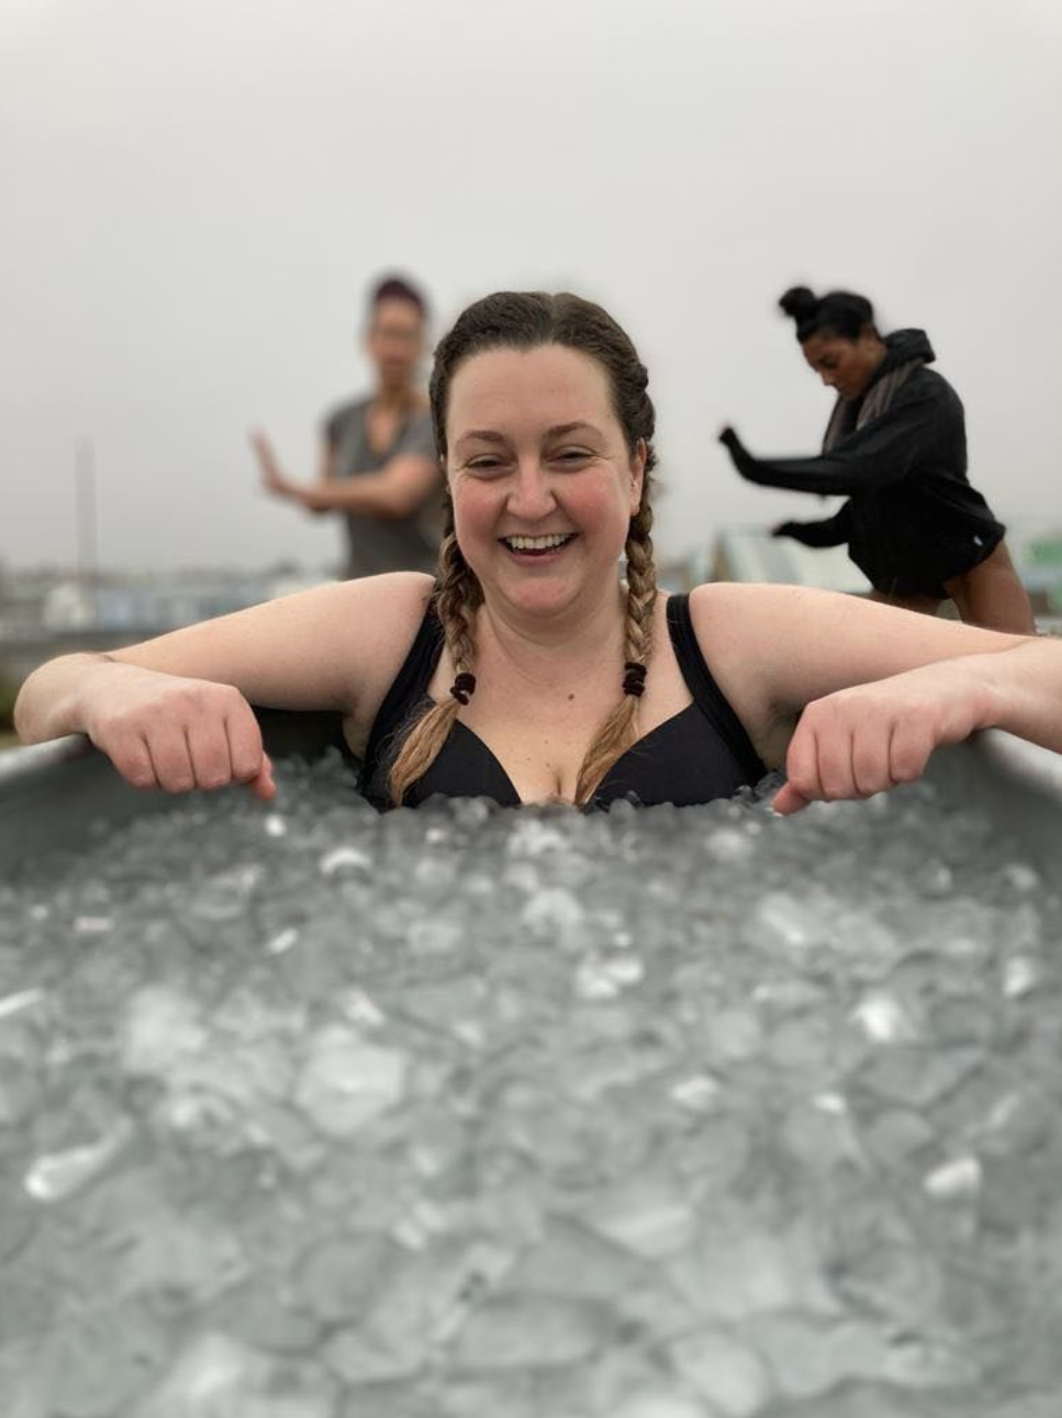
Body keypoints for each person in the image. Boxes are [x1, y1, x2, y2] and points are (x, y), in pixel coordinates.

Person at [14, 292, 1062, 817]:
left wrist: (949, 694)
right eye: (487, 460)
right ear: (445, 471)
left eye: (571, 454)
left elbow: (1044, 669)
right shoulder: (387, 630)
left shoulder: (727, 637)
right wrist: (116, 702)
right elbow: (52, 685)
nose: (528, 499)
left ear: (637, 465)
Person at [718, 286, 1035, 633]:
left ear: (867, 336)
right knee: (869, 669)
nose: (827, 379)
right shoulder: (863, 411)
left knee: (1015, 661)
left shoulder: (926, 396)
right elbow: (864, 510)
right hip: (904, 570)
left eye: (830, 363)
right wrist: (798, 530)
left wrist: (753, 466)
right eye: (817, 370)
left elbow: (857, 470)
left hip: (966, 554)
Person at [250, 274, 443, 577]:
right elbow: (320, 502)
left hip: (426, 590)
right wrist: (299, 491)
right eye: (388, 333)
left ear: (423, 345)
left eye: (407, 336)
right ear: (367, 339)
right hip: (357, 588)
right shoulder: (339, 420)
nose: (395, 350)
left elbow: (396, 496)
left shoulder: (435, 419)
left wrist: (296, 488)